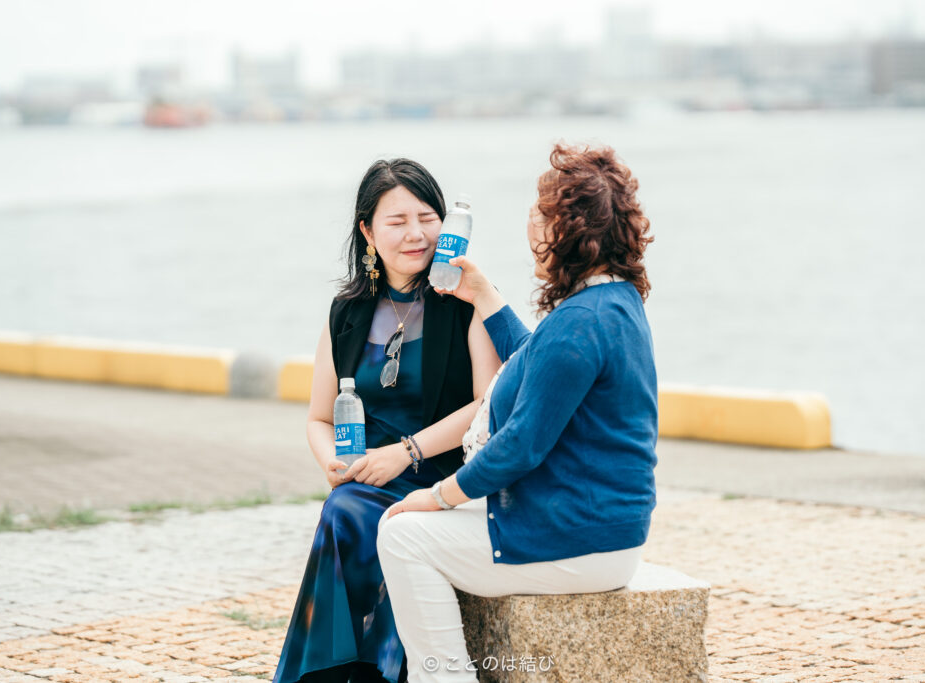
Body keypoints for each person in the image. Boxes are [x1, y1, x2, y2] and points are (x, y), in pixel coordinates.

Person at [375, 142, 658, 682]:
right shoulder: (613, 303)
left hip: (577, 539)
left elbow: (520, 446)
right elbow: (537, 364)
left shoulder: (579, 322)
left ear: (567, 234)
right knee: (416, 528)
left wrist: (436, 496)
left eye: (541, 216)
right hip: (601, 528)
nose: (531, 227)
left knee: (403, 535)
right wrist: (483, 295)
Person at [273, 158, 501, 683]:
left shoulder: (466, 301)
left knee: (351, 513)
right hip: (369, 479)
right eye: (397, 222)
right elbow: (319, 418)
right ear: (368, 232)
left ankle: (366, 674)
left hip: (443, 480)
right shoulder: (346, 312)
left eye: (427, 218)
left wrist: (407, 452)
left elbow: (486, 404)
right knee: (345, 505)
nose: (415, 234)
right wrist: (332, 462)